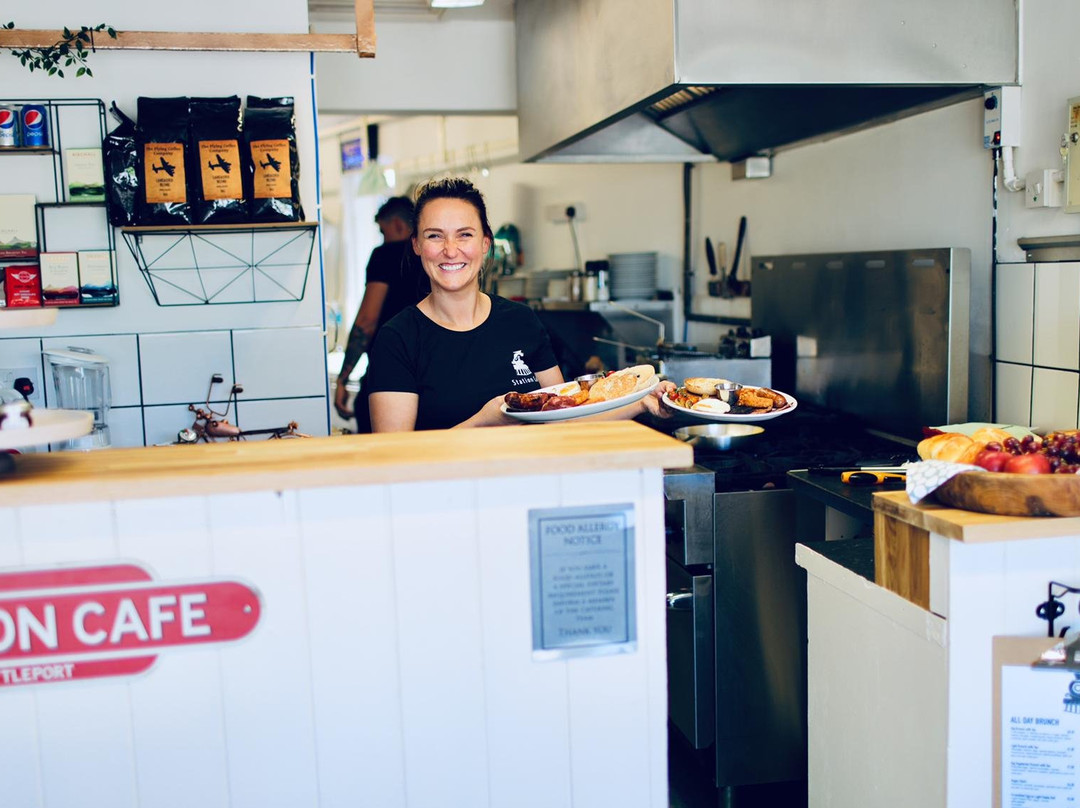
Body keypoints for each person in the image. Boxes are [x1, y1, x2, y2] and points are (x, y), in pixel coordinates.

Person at [365, 177, 673, 432]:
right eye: (435, 236)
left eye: (464, 235)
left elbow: (563, 421)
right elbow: (396, 458)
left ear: (485, 243)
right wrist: (482, 421)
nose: (451, 250)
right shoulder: (398, 339)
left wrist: (641, 403)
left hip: (533, 484)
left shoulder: (520, 321)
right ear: (417, 245)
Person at [333, 196, 430, 432]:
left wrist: (343, 378)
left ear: (398, 225)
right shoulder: (431, 257)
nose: (383, 238)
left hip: (390, 370)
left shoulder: (385, 255)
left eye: (383, 231)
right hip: (431, 376)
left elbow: (367, 320)